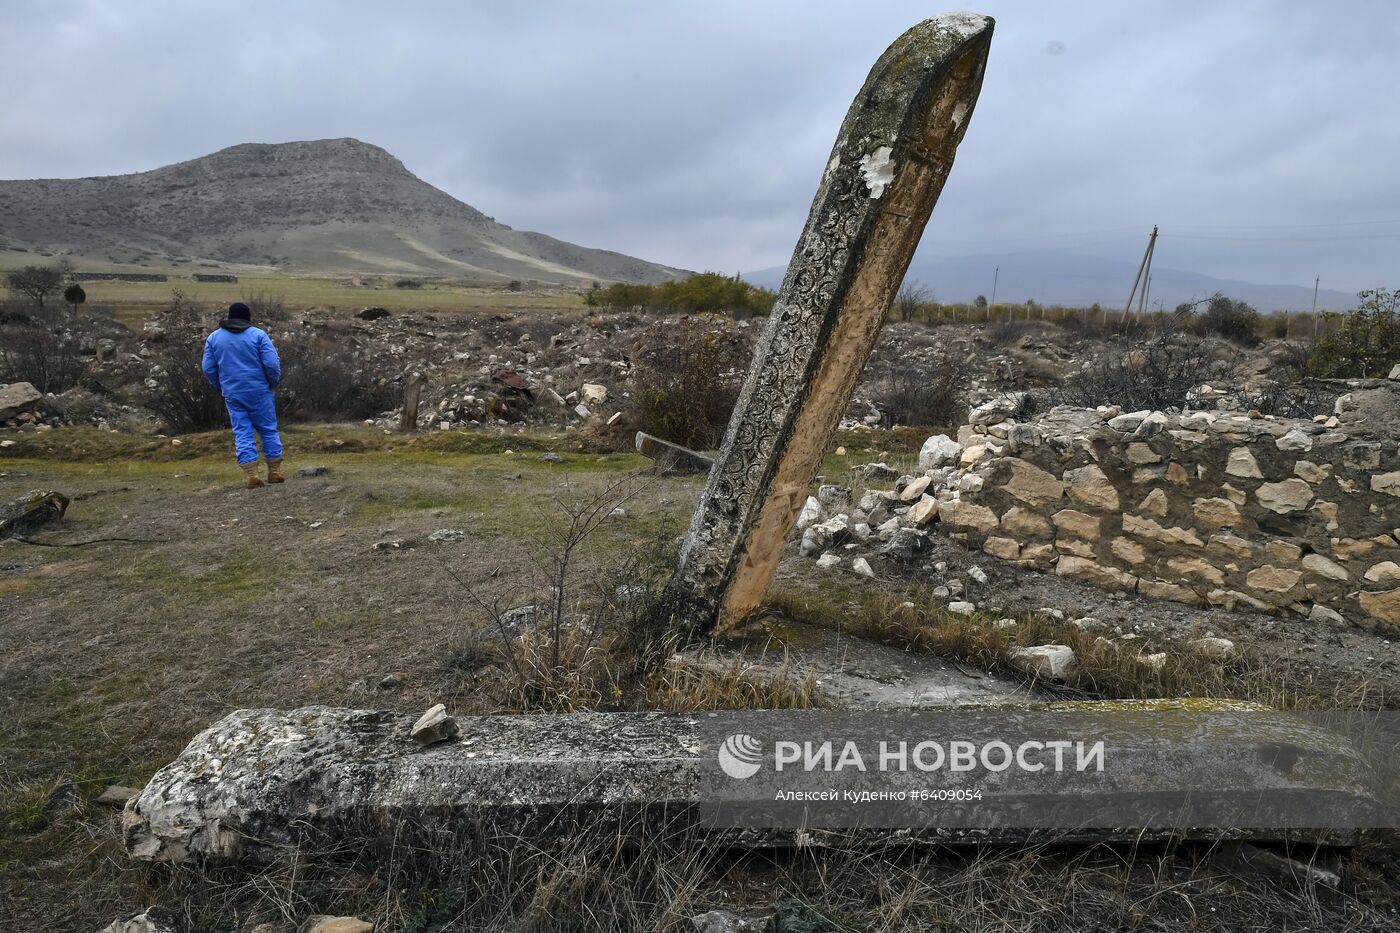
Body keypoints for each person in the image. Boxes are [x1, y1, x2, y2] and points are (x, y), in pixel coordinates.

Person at [201, 302, 284, 487]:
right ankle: (274, 472)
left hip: (233, 392)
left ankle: (251, 475)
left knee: (242, 431)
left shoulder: (214, 338)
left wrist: (221, 385)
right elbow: (271, 364)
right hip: (260, 390)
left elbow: (208, 368)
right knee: (268, 428)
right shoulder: (258, 335)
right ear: (247, 318)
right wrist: (273, 383)